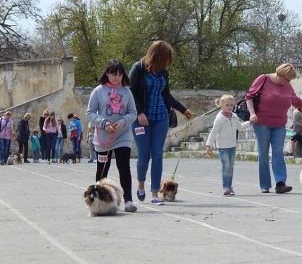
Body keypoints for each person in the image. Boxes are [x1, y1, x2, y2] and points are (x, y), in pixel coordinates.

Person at [129, 41, 192, 205]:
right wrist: (140, 112)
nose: (167, 63)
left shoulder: (163, 73)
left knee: (157, 155)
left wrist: (183, 109)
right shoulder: (139, 68)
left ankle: (155, 193)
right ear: (157, 56)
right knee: (144, 156)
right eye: (165, 59)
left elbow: (167, 96)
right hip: (141, 120)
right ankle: (141, 184)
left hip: (161, 118)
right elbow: (130, 92)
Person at [246, 63, 302, 194]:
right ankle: (265, 184)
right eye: (287, 79)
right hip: (262, 122)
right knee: (263, 153)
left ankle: (280, 183)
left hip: (279, 124)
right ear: (280, 74)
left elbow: (298, 102)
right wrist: (252, 113)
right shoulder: (263, 79)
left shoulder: (287, 86)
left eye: (290, 80)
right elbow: (249, 96)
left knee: (278, 153)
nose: (288, 82)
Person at [86, 59, 138, 213]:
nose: (116, 78)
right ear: (107, 73)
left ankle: (128, 200)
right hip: (103, 137)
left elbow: (133, 113)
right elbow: (90, 112)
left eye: (120, 75)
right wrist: (103, 123)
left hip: (122, 134)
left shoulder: (127, 92)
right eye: (113, 74)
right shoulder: (98, 91)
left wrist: (122, 122)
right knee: (102, 169)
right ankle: (97, 201)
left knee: (124, 167)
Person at [205, 95, 251, 196]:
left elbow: (240, 127)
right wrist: (208, 145)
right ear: (221, 105)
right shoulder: (219, 119)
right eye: (227, 105)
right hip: (223, 147)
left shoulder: (234, 116)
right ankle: (226, 187)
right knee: (226, 166)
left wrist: (250, 122)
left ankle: (230, 187)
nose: (230, 107)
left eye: (231, 105)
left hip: (232, 146)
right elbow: (213, 133)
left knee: (231, 167)